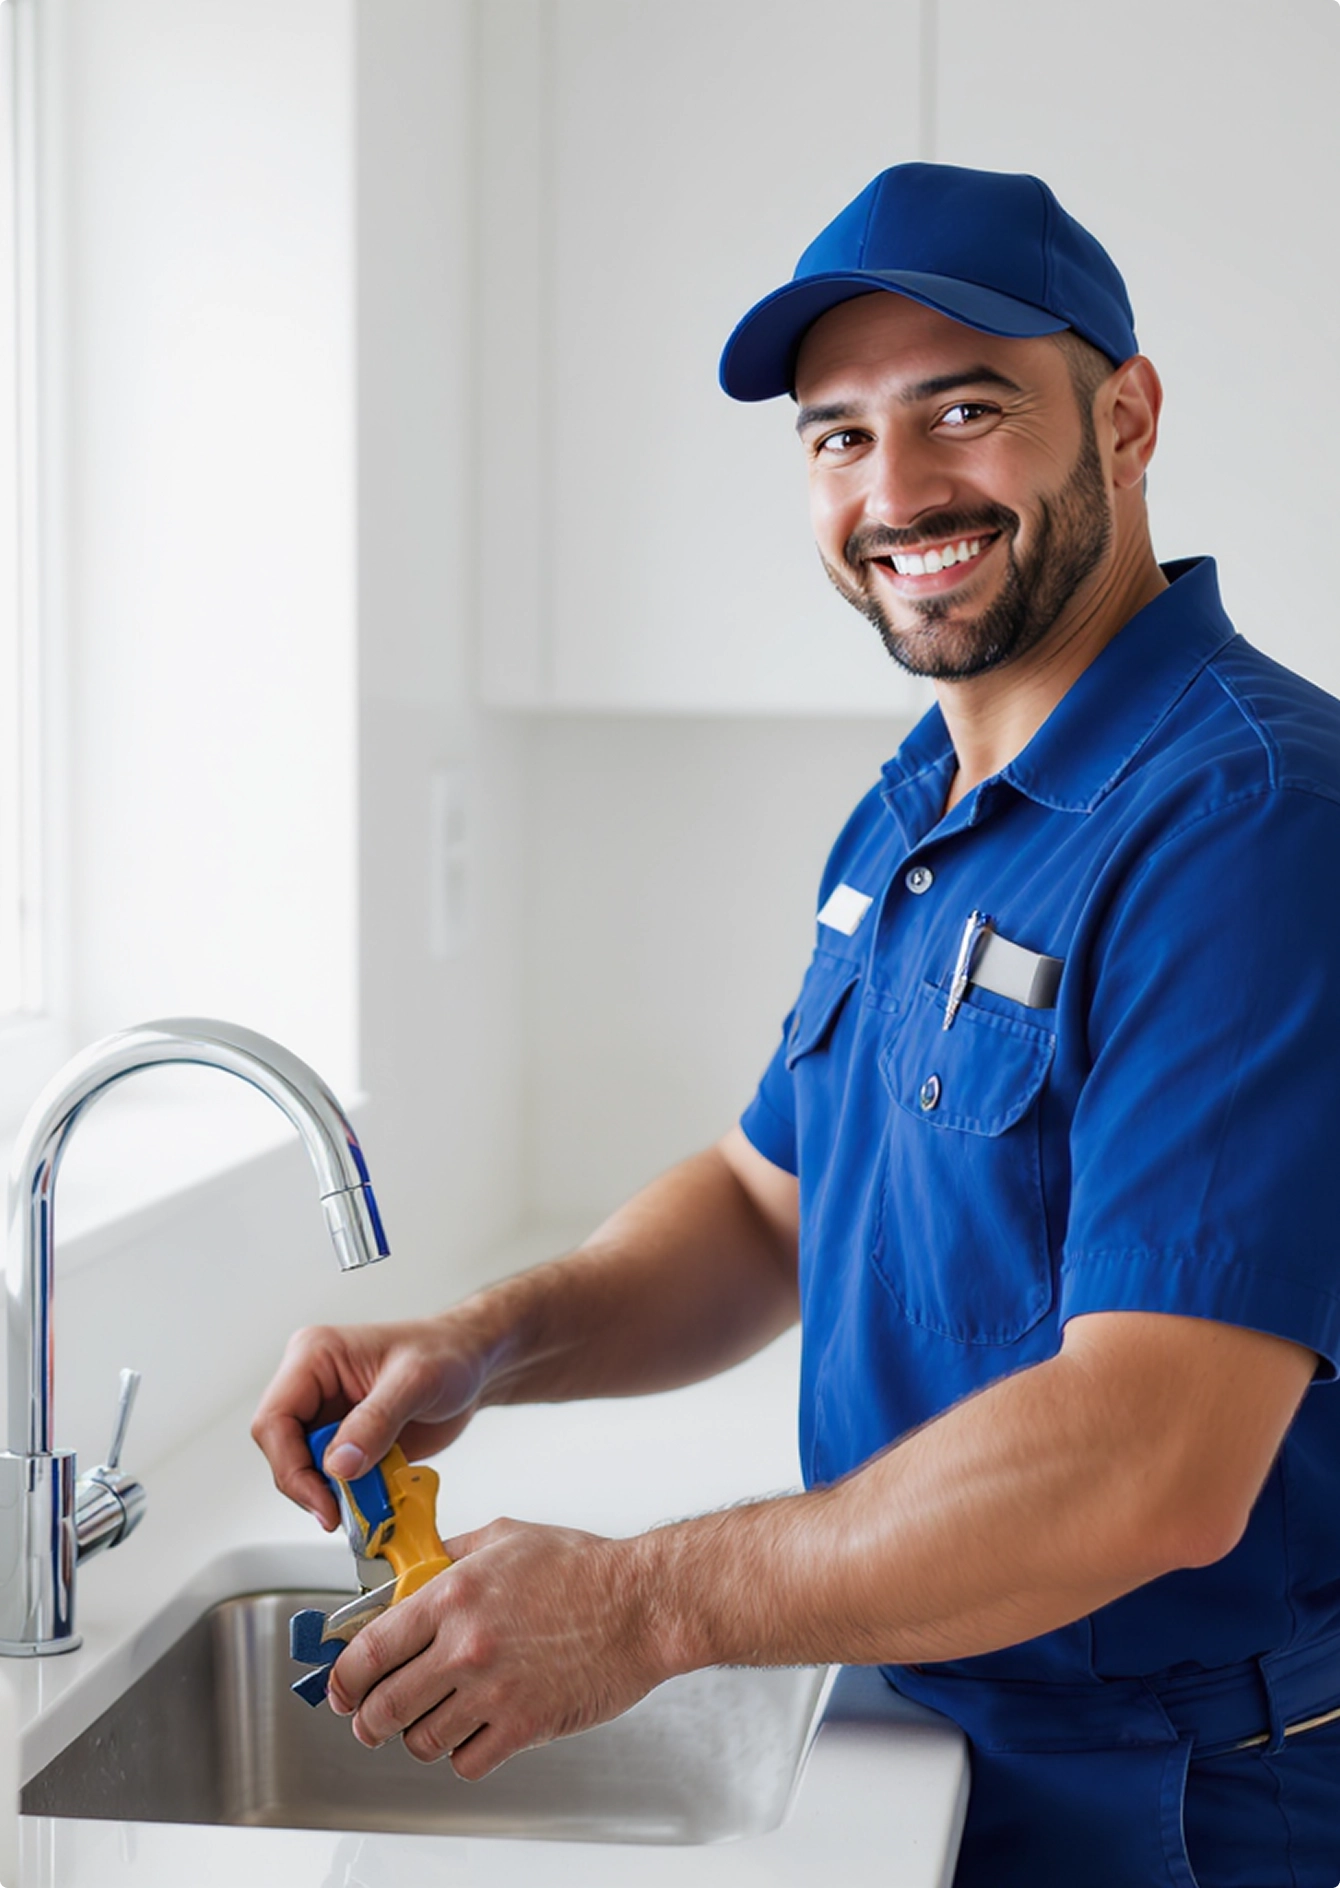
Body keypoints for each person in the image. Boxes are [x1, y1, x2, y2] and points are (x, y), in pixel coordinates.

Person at [252, 164, 1340, 1885]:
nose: (895, 490)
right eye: (837, 436)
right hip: (945, 1720)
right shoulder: (934, 793)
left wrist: (636, 1605)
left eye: (963, 412)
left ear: (1125, 421)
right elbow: (776, 1200)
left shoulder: (1251, 821)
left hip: (1187, 1803)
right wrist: (487, 1344)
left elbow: (1155, 1464)